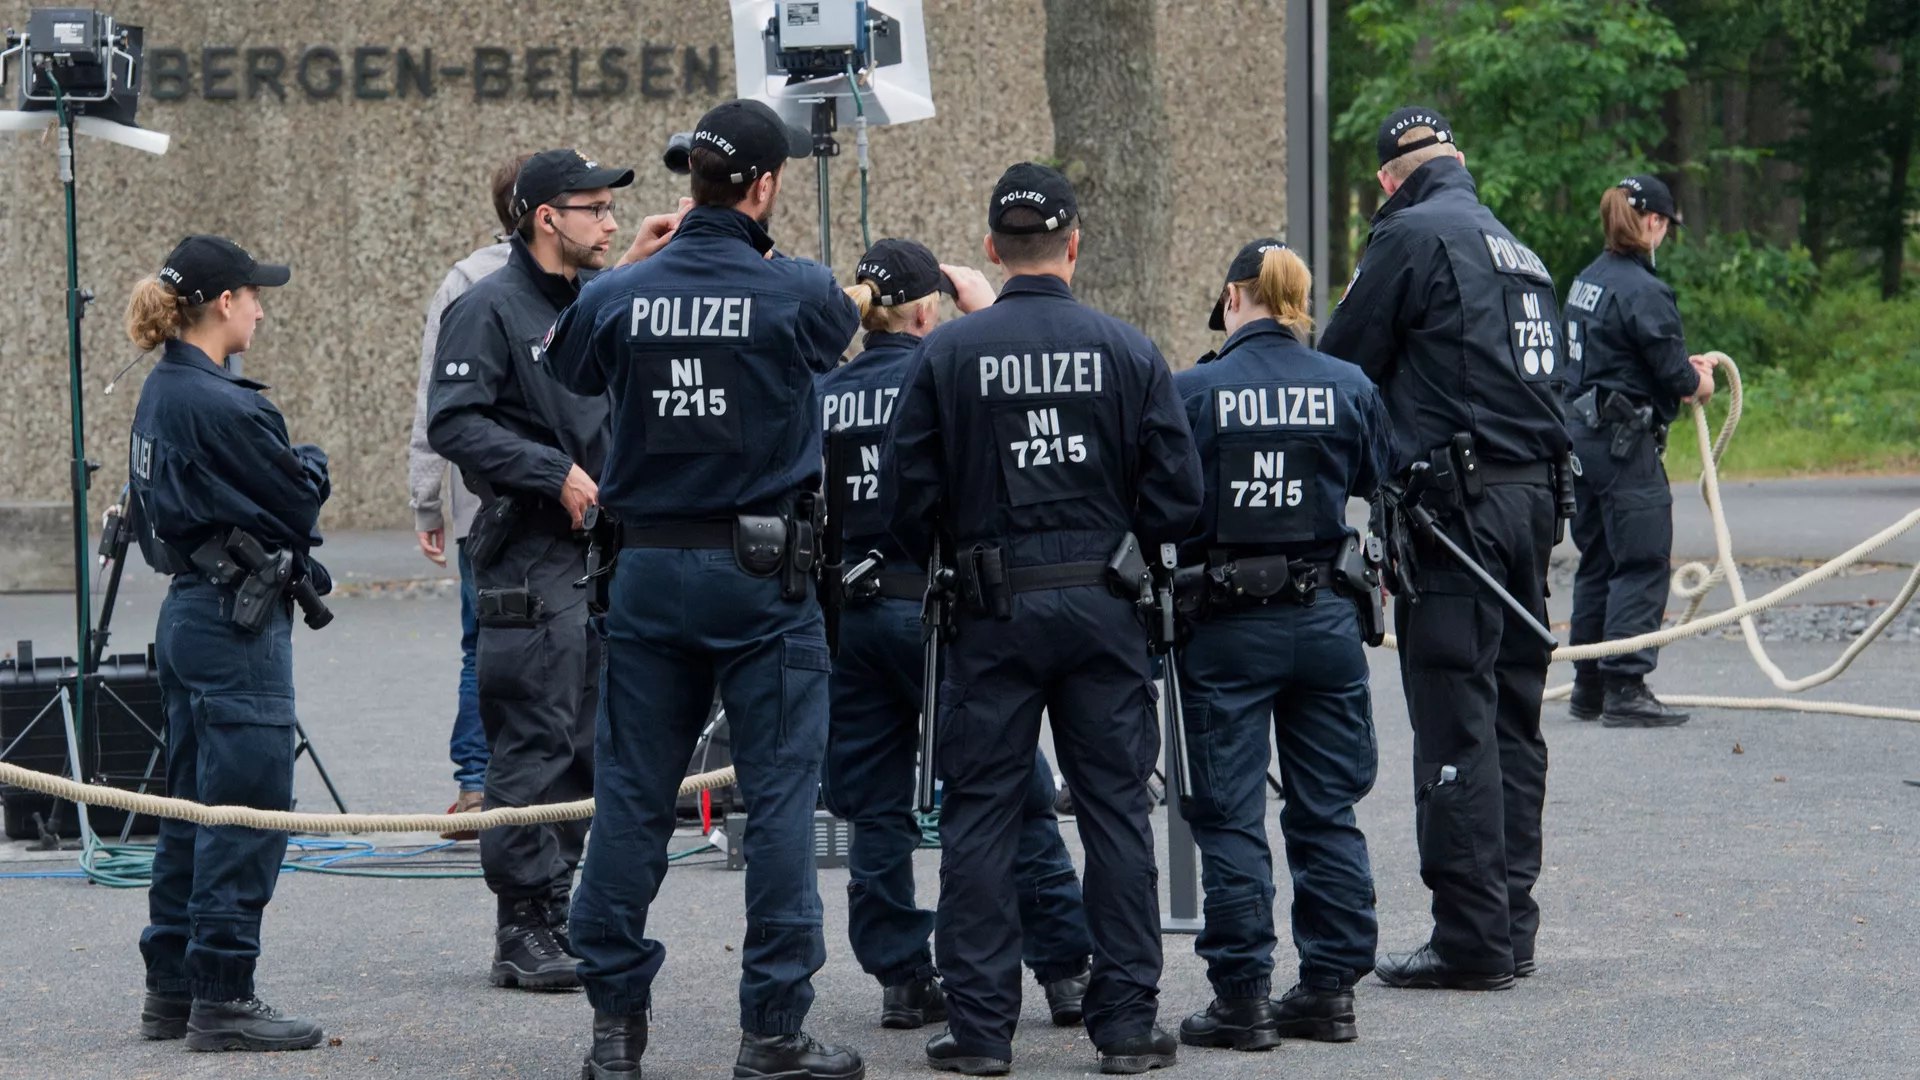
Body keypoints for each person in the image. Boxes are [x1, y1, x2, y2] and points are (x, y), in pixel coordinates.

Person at [540, 99, 865, 1080]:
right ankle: (772, 1030)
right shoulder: (796, 288)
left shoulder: (620, 293)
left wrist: (639, 265)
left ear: (690, 182)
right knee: (780, 805)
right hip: (762, 579)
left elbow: (571, 364)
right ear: (765, 185)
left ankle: (614, 1030)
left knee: (631, 802)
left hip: (645, 574)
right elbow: (835, 333)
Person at [885, 162, 1204, 1076]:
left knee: (981, 818)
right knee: (1115, 813)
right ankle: (1127, 1026)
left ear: (992, 248)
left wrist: (957, 543)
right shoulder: (1128, 350)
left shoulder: (948, 354)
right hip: (1105, 606)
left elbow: (903, 501)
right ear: (1073, 246)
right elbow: (1179, 498)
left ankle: (982, 1031)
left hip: (991, 609)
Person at [1319, 107, 1571, 991]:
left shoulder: (1409, 236)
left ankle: (1470, 939)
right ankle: (1510, 924)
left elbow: (1342, 366)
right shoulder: (1521, 252)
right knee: (1514, 719)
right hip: (1530, 506)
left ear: (1389, 180)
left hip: (1455, 515)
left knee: (1455, 716)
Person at [818, 238, 1095, 1033]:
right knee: (1011, 791)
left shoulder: (828, 392)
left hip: (855, 619)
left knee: (875, 810)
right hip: (940, 615)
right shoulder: (946, 372)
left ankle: (902, 978)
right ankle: (1065, 969)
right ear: (924, 313)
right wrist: (990, 310)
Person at [1169, 240, 1393, 1050]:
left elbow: (1163, 502)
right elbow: (1377, 478)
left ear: (1234, 299)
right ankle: (1330, 991)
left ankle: (1242, 1000)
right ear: (1298, 302)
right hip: (1327, 619)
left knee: (1230, 815)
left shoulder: (1194, 390)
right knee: (1327, 807)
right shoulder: (1349, 384)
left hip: (1226, 625)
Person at [426, 147, 631, 992]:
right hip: (528, 553)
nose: (610, 223)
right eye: (595, 209)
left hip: (602, 558)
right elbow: (453, 422)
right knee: (532, 740)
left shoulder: (595, 303)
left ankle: (557, 905)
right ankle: (521, 925)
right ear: (547, 218)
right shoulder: (486, 308)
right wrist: (553, 472)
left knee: (586, 743)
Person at [125, 235, 328, 1051]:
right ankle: (223, 996)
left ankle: (173, 989)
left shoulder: (164, 388)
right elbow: (300, 501)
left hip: (190, 612)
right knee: (245, 811)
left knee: (189, 810)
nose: (261, 311)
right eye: (254, 296)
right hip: (232, 626)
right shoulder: (224, 405)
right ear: (222, 303)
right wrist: (312, 461)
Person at [1563, 175, 1714, 728]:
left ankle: (1589, 686)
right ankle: (1625, 685)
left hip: (1581, 440)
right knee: (1642, 559)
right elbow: (1676, 376)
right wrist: (1701, 381)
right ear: (1653, 222)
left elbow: (1613, 357)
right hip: (1624, 446)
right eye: (1666, 226)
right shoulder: (1644, 290)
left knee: (1598, 561)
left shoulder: (1587, 279)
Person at [409, 152, 525, 837]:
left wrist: (428, 501)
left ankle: (477, 787)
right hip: (564, 500)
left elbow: (434, 398)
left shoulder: (463, 279)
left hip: (478, 505)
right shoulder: (586, 278)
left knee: (479, 643)